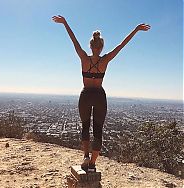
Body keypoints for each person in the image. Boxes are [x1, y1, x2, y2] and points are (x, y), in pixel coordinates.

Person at [52, 15, 150, 172]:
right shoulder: (105, 60)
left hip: (85, 95)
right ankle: (92, 163)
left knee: (85, 126)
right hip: (99, 96)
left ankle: (85, 156)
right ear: (102, 47)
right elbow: (121, 45)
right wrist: (136, 30)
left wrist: (65, 23)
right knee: (98, 129)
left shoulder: (84, 58)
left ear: (90, 46)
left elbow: (74, 41)